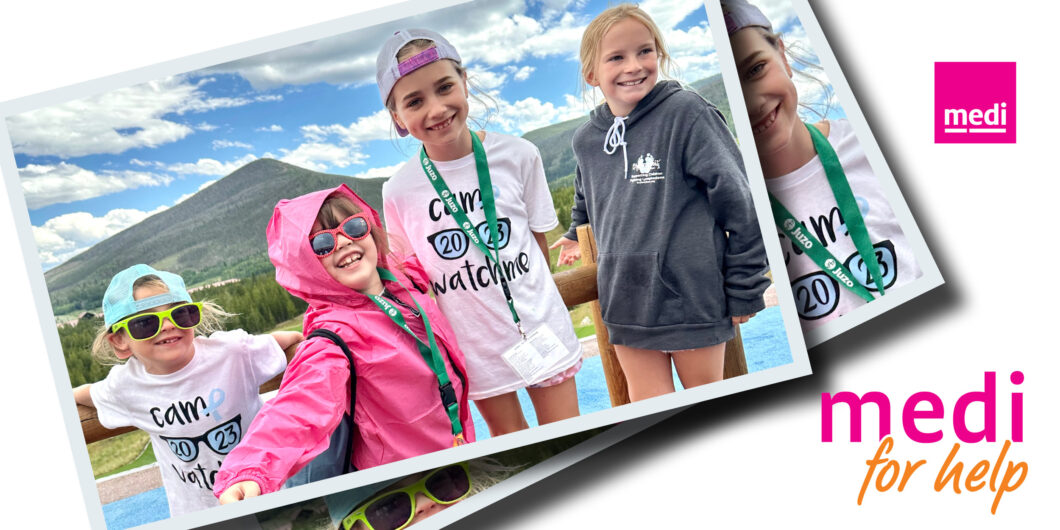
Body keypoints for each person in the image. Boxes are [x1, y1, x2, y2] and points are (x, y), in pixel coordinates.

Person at [551, 4, 770, 401]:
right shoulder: (585, 140)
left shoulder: (688, 114)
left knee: (707, 403)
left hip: (691, 296)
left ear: (659, 54)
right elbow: (587, 192)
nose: (634, 65)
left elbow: (741, 201)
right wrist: (573, 231)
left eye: (645, 51)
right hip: (625, 301)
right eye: (616, 57)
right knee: (651, 409)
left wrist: (745, 286)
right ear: (591, 74)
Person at [377, 29, 582, 436]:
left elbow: (537, 246)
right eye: (415, 101)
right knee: (514, 447)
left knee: (570, 437)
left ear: (465, 83)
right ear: (398, 118)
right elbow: (411, 278)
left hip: (540, 328)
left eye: (444, 87)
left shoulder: (520, 154)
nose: (435, 109)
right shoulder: (398, 191)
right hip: (474, 348)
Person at [214, 184, 476, 503]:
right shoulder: (334, 337)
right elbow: (299, 405)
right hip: (406, 488)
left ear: (370, 229)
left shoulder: (406, 283)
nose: (343, 243)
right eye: (321, 244)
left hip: (457, 450)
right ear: (304, 265)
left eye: (353, 227)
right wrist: (251, 470)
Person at [723, 0, 921, 328]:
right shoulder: (739, 198)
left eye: (755, 70)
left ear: (782, 57)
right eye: (734, 89)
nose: (752, 102)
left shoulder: (870, 148)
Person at [72, 264, 296, 516]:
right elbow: (86, 394)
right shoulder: (125, 385)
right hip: (196, 513)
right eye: (145, 322)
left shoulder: (233, 352)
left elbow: (292, 340)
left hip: (263, 495)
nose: (167, 325)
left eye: (181, 314)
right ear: (120, 340)